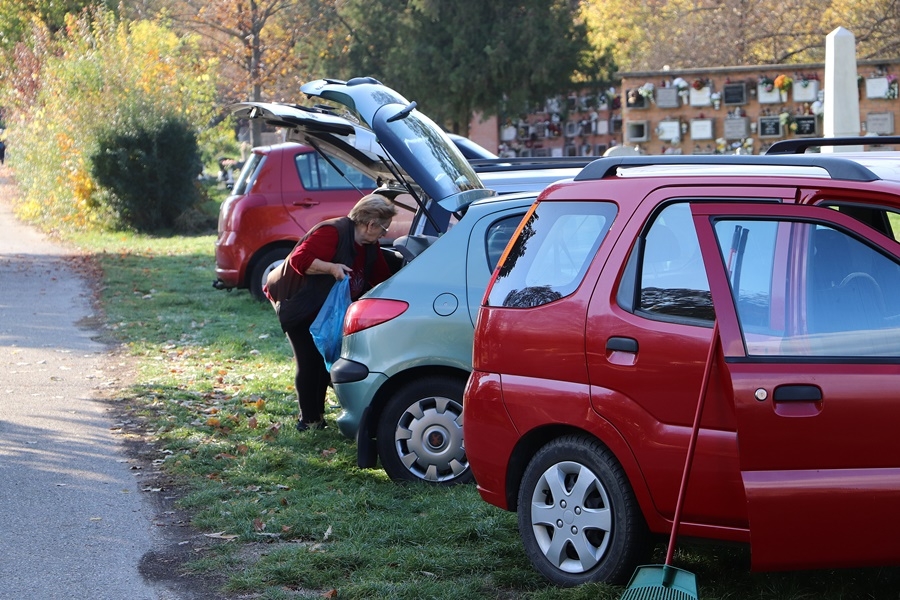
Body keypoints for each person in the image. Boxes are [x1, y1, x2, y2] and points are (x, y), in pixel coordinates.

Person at [267, 193, 396, 431]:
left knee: (324, 361)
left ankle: (317, 416)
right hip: (300, 305)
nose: (384, 233)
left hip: (325, 310)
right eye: (384, 228)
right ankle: (309, 420)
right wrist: (331, 268)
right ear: (371, 224)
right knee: (309, 361)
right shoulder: (333, 232)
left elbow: (381, 276)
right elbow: (299, 260)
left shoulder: (369, 245)